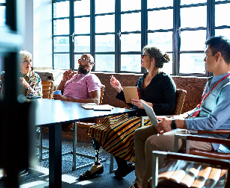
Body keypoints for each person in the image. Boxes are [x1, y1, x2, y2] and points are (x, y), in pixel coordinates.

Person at [131, 36, 230, 188]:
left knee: (153, 142)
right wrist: (176, 117)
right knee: (140, 134)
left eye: (207, 54)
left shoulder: (228, 87)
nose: (204, 59)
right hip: (194, 128)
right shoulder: (212, 81)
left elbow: (212, 123)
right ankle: (140, 182)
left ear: (218, 57)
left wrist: (175, 123)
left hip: (209, 137)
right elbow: (199, 109)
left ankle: (148, 186)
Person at [79, 46, 177, 180]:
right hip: (136, 115)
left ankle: (126, 166)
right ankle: (123, 166)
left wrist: (148, 105)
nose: (141, 58)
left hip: (151, 119)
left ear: (152, 59)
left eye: (144, 55)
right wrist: (119, 89)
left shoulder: (166, 80)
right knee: (103, 126)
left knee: (117, 129)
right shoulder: (142, 79)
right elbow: (134, 103)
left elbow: (170, 107)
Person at [53, 54, 103, 132]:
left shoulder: (91, 78)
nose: (88, 64)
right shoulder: (71, 77)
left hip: (78, 112)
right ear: (79, 61)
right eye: (86, 60)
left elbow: (96, 101)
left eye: (91, 63)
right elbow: (56, 95)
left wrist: (67, 99)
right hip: (63, 109)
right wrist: (63, 81)